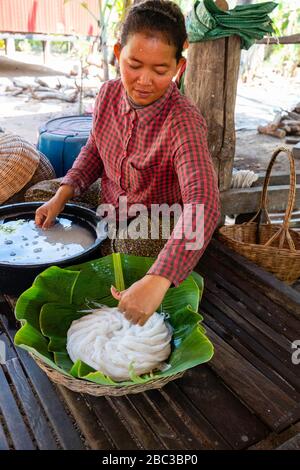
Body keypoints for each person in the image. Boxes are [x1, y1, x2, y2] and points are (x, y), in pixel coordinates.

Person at [35, 0, 220, 326]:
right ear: (118, 53)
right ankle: (97, 245)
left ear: (179, 66)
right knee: (37, 195)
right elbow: (94, 150)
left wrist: (159, 278)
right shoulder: (107, 94)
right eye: (134, 64)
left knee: (132, 241)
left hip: (155, 218)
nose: (144, 80)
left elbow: (203, 204)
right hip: (109, 199)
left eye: (160, 70)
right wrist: (61, 195)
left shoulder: (183, 122)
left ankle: (130, 270)